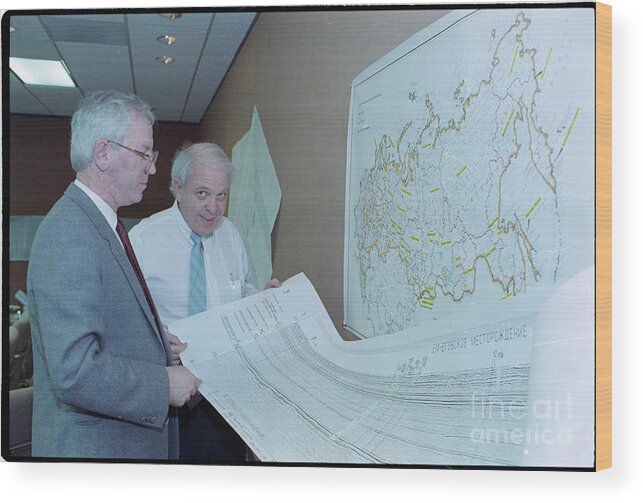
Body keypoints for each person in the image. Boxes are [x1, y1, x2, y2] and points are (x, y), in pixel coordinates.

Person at [27, 90, 202, 459]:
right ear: (104, 154)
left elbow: (100, 327)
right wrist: (162, 385)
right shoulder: (69, 232)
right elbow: (73, 370)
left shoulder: (98, 224)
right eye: (144, 154)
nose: (152, 168)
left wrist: (151, 342)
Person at [129, 142, 280, 462]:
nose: (213, 207)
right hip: (168, 400)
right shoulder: (143, 241)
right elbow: (123, 322)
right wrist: (154, 344)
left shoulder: (231, 236)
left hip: (226, 395)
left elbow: (240, 294)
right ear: (177, 187)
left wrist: (263, 300)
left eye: (222, 195)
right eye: (202, 193)